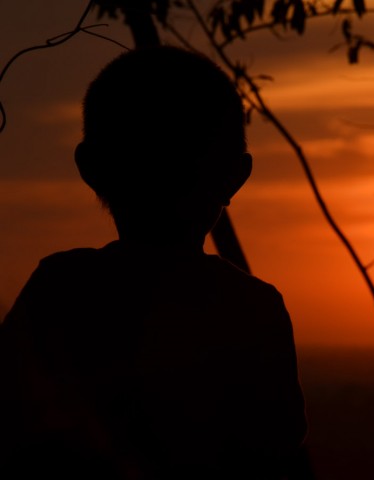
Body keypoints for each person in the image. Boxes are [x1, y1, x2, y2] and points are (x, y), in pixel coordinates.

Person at [0, 46, 307, 479]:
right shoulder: (252, 308)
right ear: (236, 175)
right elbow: (278, 452)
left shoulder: (60, 290)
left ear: (90, 169)